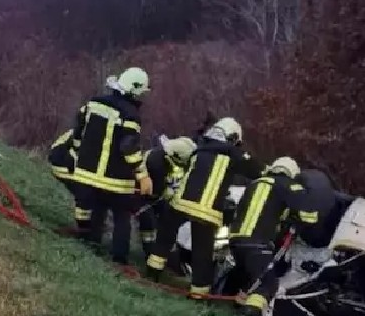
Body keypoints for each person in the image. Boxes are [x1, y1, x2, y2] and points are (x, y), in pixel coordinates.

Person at [145, 117, 265, 298]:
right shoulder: (234, 154)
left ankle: (152, 272)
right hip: (207, 211)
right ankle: (199, 294)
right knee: (203, 253)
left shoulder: (198, 149)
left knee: (164, 237)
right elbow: (258, 171)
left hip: (181, 203)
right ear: (232, 138)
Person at [70, 67, 152, 264]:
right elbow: (129, 148)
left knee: (97, 208)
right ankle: (119, 257)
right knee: (122, 217)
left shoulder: (93, 103)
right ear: (135, 89)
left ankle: (93, 243)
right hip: (115, 179)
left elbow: (78, 132)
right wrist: (142, 175)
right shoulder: (130, 114)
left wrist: (77, 155)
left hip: (88, 174)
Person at [228, 157, 319, 316]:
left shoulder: (255, 183)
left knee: (248, 276)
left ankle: (231, 303)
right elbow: (309, 217)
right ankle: (250, 315)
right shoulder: (289, 185)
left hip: (235, 240)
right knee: (269, 283)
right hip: (258, 243)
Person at [134, 136, 198, 257]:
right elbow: (155, 190)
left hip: (155, 197)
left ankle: (166, 254)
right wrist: (166, 191)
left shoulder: (169, 157)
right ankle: (150, 253)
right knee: (149, 224)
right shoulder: (157, 161)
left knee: (167, 220)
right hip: (143, 197)